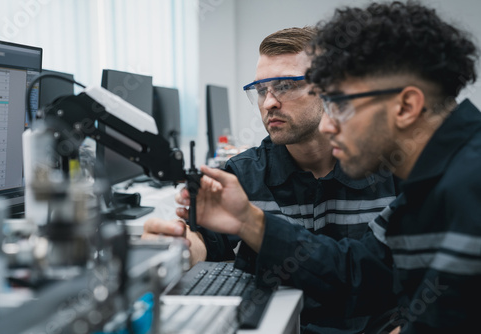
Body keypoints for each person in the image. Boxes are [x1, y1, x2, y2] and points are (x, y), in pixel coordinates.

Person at [174, 1, 481, 333]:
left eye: (341, 104)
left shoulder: (468, 185)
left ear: (406, 106)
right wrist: (249, 222)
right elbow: (357, 273)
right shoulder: (429, 188)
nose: (328, 125)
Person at [144, 26, 398, 333]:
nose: (268, 104)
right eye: (262, 90)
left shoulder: (388, 172)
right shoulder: (243, 174)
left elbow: (420, 276)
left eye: (285, 86)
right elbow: (206, 243)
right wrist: (181, 247)